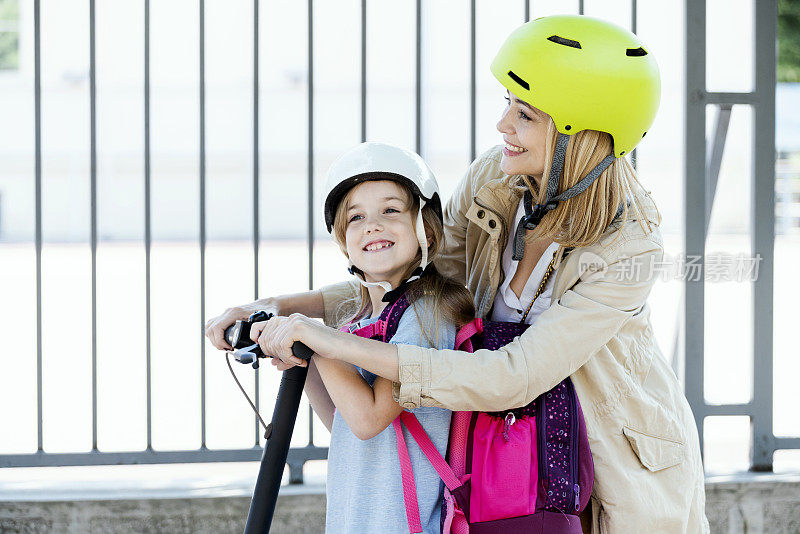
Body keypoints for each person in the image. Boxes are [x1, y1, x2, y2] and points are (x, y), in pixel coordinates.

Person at [207, 15, 709, 533]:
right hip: (502, 462)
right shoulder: (498, 177)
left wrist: (332, 343)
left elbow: (513, 376)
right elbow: (419, 278)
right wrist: (281, 308)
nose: (503, 126)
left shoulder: (629, 241)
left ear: (577, 133)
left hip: (602, 460)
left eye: (525, 114)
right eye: (506, 105)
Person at [250, 142, 473, 533]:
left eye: (390, 210)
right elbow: (346, 426)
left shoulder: (427, 313)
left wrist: (320, 339)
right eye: (356, 217)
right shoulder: (363, 316)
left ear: (426, 227)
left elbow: (370, 418)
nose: (373, 225)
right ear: (343, 239)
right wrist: (307, 356)